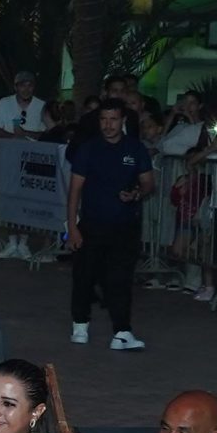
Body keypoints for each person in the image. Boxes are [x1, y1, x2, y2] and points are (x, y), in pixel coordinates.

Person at [65, 98, 155, 351]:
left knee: (120, 279)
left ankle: (122, 331)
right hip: (92, 224)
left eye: (113, 119)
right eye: (104, 119)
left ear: (123, 120)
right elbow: (74, 191)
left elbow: (149, 182)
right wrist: (72, 227)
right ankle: (80, 325)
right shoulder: (88, 149)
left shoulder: (135, 148)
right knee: (84, 276)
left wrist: (136, 193)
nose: (108, 125)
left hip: (125, 226)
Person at [0, 72, 53, 260]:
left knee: (27, 200)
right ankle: (11, 241)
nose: (26, 89)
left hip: (31, 160)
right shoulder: (4, 103)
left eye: (29, 85)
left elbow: (47, 132)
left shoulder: (41, 106)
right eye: (22, 85)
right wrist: (14, 137)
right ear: (16, 87)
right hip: (8, 158)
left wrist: (25, 134)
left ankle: (24, 242)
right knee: (8, 197)